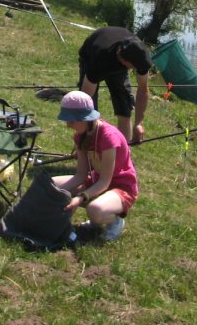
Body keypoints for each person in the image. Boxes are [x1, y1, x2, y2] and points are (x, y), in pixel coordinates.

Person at [53, 90, 138, 243]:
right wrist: (57, 193)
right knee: (52, 186)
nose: (68, 125)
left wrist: (80, 198)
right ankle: (92, 214)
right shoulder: (80, 136)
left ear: (85, 119)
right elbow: (80, 175)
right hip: (95, 181)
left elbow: (105, 182)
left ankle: (114, 221)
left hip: (120, 187)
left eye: (71, 121)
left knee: (95, 210)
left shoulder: (108, 138)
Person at [77, 26, 153, 144]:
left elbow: (143, 90)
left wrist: (139, 123)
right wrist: (82, 134)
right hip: (90, 55)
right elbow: (85, 98)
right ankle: (87, 149)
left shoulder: (141, 58)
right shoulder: (100, 59)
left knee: (124, 107)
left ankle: (122, 152)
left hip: (116, 60)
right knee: (91, 112)